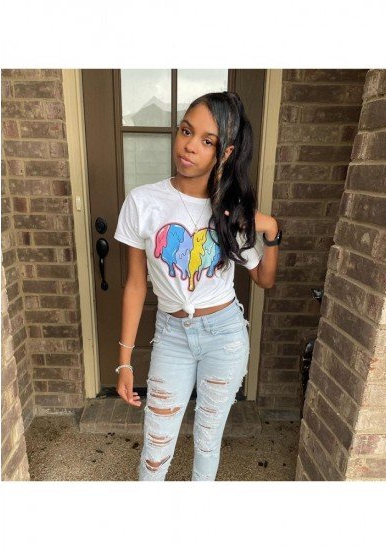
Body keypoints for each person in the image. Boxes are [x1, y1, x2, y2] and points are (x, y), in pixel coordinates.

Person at [113, 91, 282, 481]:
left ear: (225, 152)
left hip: (225, 336)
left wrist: (271, 230)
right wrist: (124, 361)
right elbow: (136, 285)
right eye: (186, 131)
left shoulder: (229, 211)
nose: (189, 146)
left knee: (207, 443)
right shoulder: (143, 202)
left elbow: (264, 279)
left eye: (207, 141)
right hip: (172, 335)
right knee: (155, 448)